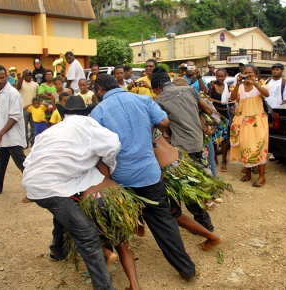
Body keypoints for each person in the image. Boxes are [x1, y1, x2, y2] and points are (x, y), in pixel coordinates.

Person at [91, 73, 197, 281]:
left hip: (120, 178)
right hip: (149, 173)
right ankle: (187, 270)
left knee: (117, 223)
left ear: (100, 90)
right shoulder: (143, 99)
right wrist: (151, 134)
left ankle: (118, 277)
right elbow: (165, 122)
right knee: (164, 222)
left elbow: (95, 148)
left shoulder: (98, 111)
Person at [22, 95, 117, 290]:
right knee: (87, 236)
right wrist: (108, 164)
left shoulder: (51, 131)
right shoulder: (87, 123)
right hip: (51, 187)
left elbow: (28, 161)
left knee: (62, 211)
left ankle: (57, 252)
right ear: (85, 111)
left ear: (64, 113)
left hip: (34, 183)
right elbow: (113, 144)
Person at [151, 66, 216, 225]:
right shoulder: (190, 90)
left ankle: (204, 223)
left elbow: (162, 124)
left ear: (159, 87)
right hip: (198, 143)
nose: (156, 93)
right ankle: (206, 207)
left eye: (155, 90)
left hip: (181, 148)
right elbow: (208, 109)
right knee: (200, 177)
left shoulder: (159, 100)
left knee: (186, 187)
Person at [0, 65, 27, 195]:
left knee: (23, 166)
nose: (0, 80)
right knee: (0, 162)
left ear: (7, 77)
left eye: (2, 77)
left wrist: (0, 134)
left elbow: (14, 117)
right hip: (4, 137)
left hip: (12, 138)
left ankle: (39, 191)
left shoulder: (12, 93)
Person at [229, 64, 269, 187]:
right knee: (245, 147)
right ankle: (248, 173)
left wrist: (255, 83)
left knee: (259, 147)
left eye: (250, 73)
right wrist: (237, 84)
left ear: (255, 75)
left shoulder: (260, 84)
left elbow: (267, 94)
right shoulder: (238, 86)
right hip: (242, 122)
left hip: (257, 122)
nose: (247, 75)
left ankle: (262, 176)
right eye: (245, 72)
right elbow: (233, 97)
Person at [208, 68, 230, 172]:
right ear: (215, 76)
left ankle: (224, 162)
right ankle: (215, 158)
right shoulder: (211, 85)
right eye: (218, 76)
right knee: (213, 140)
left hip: (224, 116)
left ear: (226, 76)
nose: (220, 78)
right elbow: (207, 99)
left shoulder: (228, 87)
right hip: (214, 117)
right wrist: (211, 89)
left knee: (224, 140)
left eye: (222, 76)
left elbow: (231, 101)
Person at [17, 69, 39, 147]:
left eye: (29, 75)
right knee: (24, 127)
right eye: (26, 75)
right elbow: (18, 87)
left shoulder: (35, 84)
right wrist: (22, 77)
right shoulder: (21, 83)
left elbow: (37, 95)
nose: (28, 76)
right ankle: (25, 143)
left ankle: (33, 142)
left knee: (33, 126)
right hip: (24, 108)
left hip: (33, 109)